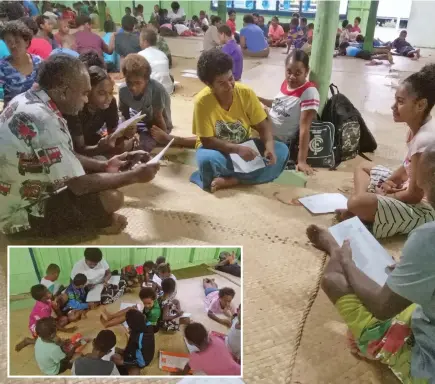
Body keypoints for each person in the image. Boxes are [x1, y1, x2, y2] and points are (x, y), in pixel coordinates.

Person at [306, 143, 435, 382]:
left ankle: (336, 250)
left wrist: (347, 261)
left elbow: (381, 307)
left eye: (425, 186)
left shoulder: (429, 237)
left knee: (333, 280)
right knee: (397, 277)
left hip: (427, 367)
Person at [0, 54, 160, 236]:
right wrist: (134, 176)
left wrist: (104, 165)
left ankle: (94, 220)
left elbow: (61, 154)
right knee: (112, 198)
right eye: (84, 93)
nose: (86, 100)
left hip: (16, 195)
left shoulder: (25, 99)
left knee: (101, 172)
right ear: (64, 91)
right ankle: (90, 226)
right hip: (19, 215)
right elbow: (78, 185)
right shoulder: (44, 119)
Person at [335, 65, 435, 238]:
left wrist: (389, 194)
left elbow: (414, 195)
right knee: (363, 167)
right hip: (410, 188)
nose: (393, 106)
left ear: (420, 105)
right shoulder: (416, 129)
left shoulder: (424, 140)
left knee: (356, 202)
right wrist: (388, 182)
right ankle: (362, 211)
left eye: (401, 102)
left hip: (425, 209)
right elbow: (406, 167)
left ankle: (360, 212)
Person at [190, 49, 288, 192]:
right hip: (217, 150)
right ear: (209, 84)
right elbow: (207, 141)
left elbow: (263, 126)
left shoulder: (246, 93)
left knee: (281, 151)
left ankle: (233, 180)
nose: (229, 86)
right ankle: (247, 176)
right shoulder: (202, 102)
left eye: (231, 79)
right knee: (206, 161)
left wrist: (269, 147)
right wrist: (236, 149)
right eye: (222, 83)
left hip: (245, 146)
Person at [258, 49, 320, 175]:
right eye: (289, 72)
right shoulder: (286, 83)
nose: (292, 77)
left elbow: (305, 128)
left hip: (278, 139)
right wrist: (258, 99)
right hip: (266, 124)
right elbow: (277, 104)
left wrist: (301, 160)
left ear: (306, 72)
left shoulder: (309, 93)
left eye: (298, 73)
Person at [66, 65, 131, 157]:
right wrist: (99, 148)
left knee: (127, 144)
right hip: (74, 149)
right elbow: (79, 149)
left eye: (111, 92)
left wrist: (124, 134)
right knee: (101, 159)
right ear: (88, 91)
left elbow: (112, 132)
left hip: (93, 141)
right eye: (102, 93)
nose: (108, 98)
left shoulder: (111, 102)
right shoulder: (77, 109)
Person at [119, 54, 173, 153]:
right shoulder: (123, 90)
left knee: (143, 146)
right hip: (141, 117)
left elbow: (159, 117)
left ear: (147, 80)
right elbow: (124, 114)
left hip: (159, 122)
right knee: (117, 136)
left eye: (138, 83)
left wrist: (164, 137)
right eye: (129, 82)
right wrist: (128, 129)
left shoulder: (157, 89)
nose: (133, 87)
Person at [15, 284, 74, 352]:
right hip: (36, 327)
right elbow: (49, 322)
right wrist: (66, 330)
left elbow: (55, 315)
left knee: (64, 319)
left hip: (44, 321)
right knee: (47, 340)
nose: (50, 292)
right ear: (43, 297)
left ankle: (52, 330)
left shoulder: (46, 301)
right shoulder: (43, 309)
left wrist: (57, 309)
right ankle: (28, 341)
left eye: (47, 290)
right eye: (47, 292)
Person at [0, 20, 42, 107]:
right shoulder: (2, 68)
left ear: (26, 42)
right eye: (9, 42)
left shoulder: (38, 62)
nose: (13, 46)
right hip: (12, 115)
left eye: (17, 41)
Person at [112, 309, 155, 375]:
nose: (128, 327)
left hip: (141, 361)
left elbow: (132, 352)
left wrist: (123, 362)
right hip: (147, 355)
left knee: (115, 358)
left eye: (129, 325)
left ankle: (130, 370)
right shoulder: (148, 324)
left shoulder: (137, 338)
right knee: (117, 353)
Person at [138, 28, 174, 95]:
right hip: (168, 89)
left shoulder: (140, 55)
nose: (139, 43)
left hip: (153, 92)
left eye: (140, 41)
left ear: (145, 42)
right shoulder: (163, 54)